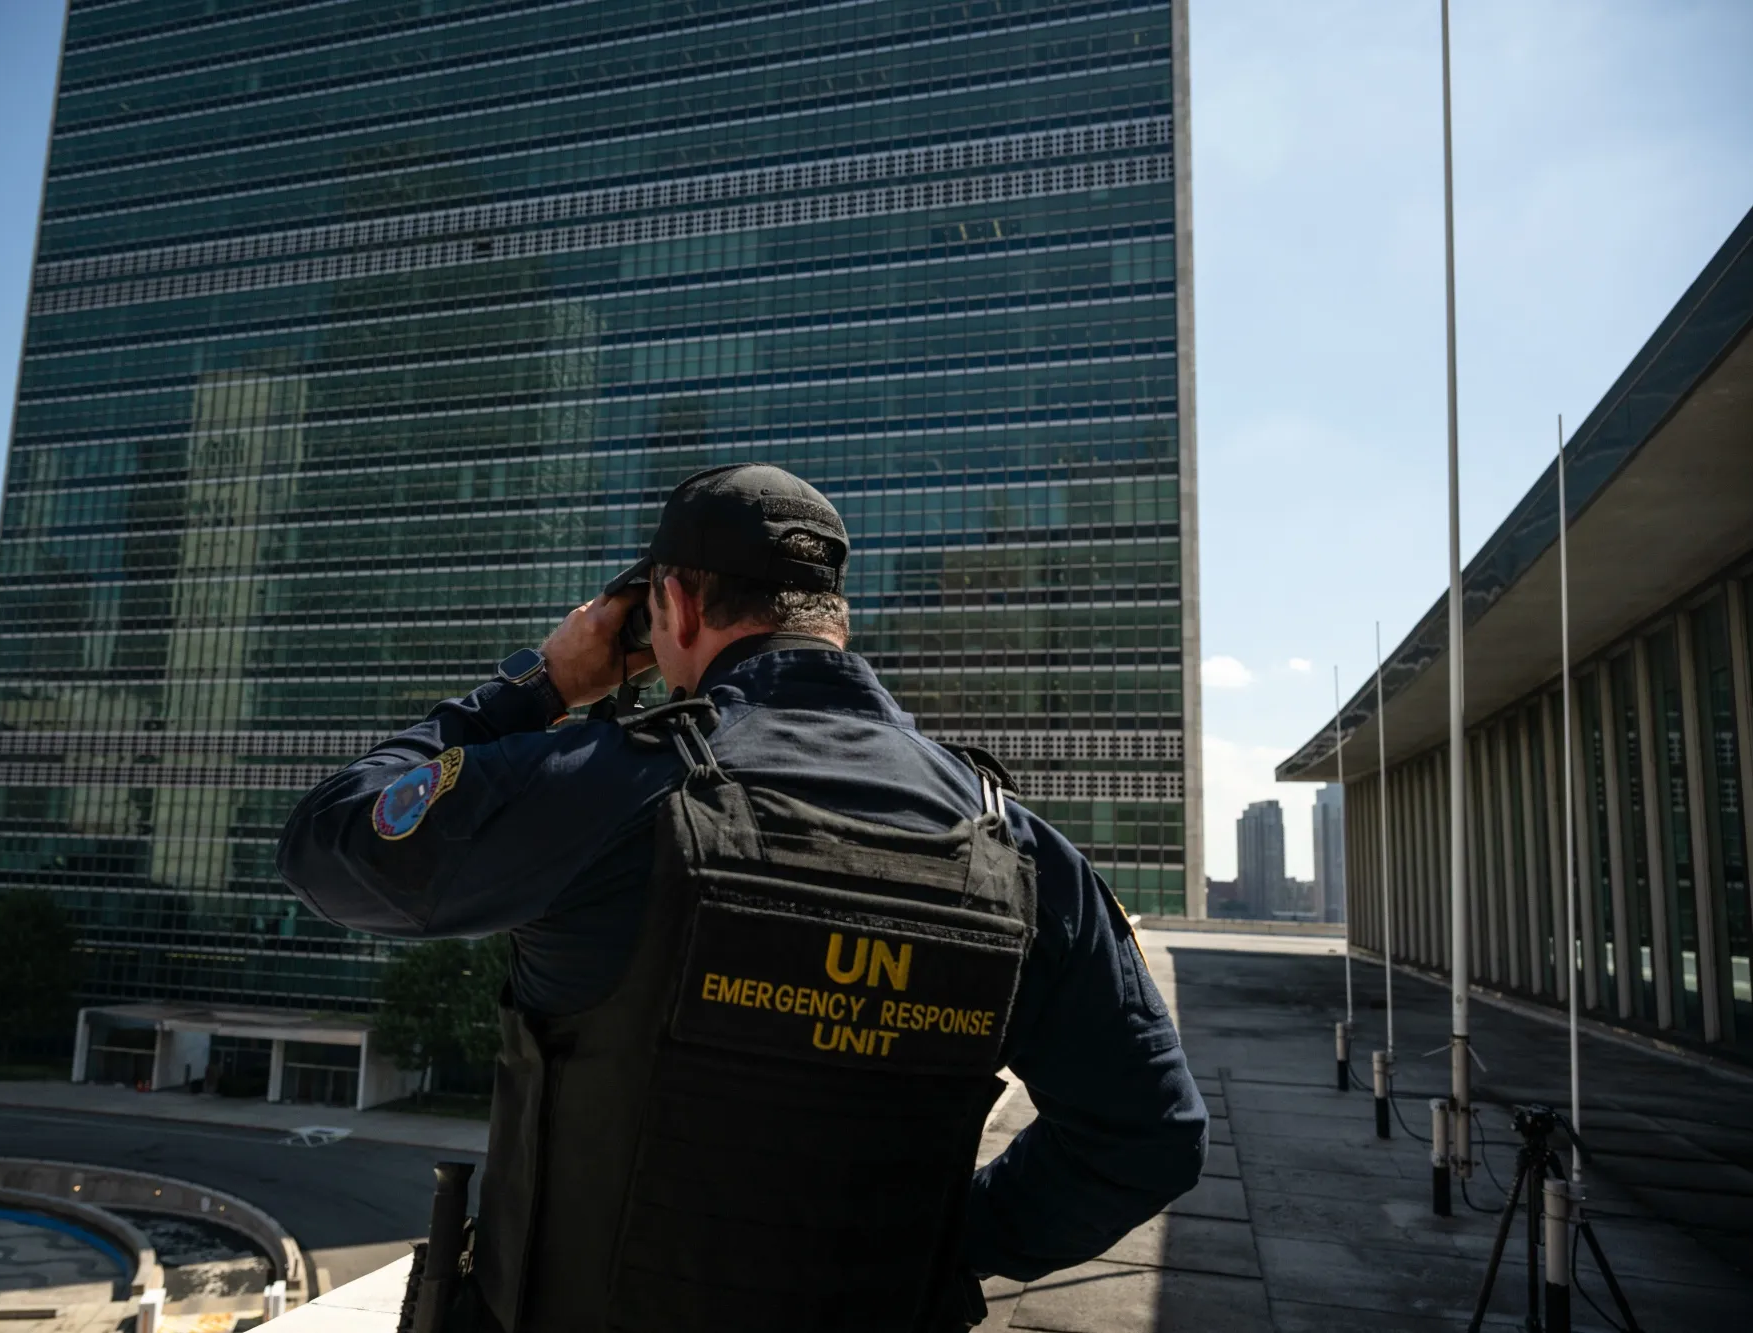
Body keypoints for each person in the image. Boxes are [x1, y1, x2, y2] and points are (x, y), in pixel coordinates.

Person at [278, 463, 1206, 1332]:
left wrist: (543, 683)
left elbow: (330, 843)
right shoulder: (1014, 841)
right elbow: (1149, 1135)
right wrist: (945, 1249)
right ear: (831, 616)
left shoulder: (603, 787)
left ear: (672, 603)